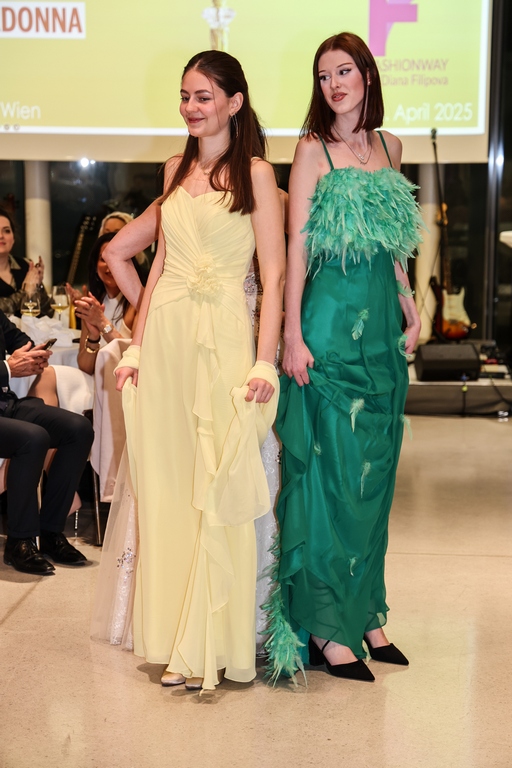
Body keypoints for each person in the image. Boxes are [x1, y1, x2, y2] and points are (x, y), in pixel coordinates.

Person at [97, 50, 285, 691]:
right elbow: (155, 268)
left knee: (215, 483)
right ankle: (177, 639)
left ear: (234, 102)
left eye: (203, 96)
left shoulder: (257, 174)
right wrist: (136, 345)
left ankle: (210, 642)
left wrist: (265, 360)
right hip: (169, 341)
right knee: (173, 489)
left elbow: (274, 275)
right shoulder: (173, 170)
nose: (190, 107)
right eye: (185, 95)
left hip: (225, 338)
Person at [268, 32, 423, 683]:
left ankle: (366, 615)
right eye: (324, 75)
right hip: (328, 325)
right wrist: (291, 333)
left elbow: (394, 245)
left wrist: (410, 304)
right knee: (332, 477)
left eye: (344, 71)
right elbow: (297, 248)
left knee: (373, 479)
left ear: (367, 76)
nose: (334, 84)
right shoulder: (312, 151)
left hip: (381, 327)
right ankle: (327, 627)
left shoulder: (391, 147)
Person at [0, 309, 93, 575]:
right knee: (33, 436)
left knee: (78, 428)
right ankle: (19, 541)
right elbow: (9, 366)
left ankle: (50, 531)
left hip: (5, 405)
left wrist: (35, 355)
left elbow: (22, 341)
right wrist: (7, 368)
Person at [0, 207, 52, 318]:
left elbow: (49, 311)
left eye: (7, 231)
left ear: (13, 238)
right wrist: (25, 293)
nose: (1, 236)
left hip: (30, 328)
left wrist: (38, 287)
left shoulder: (25, 265)